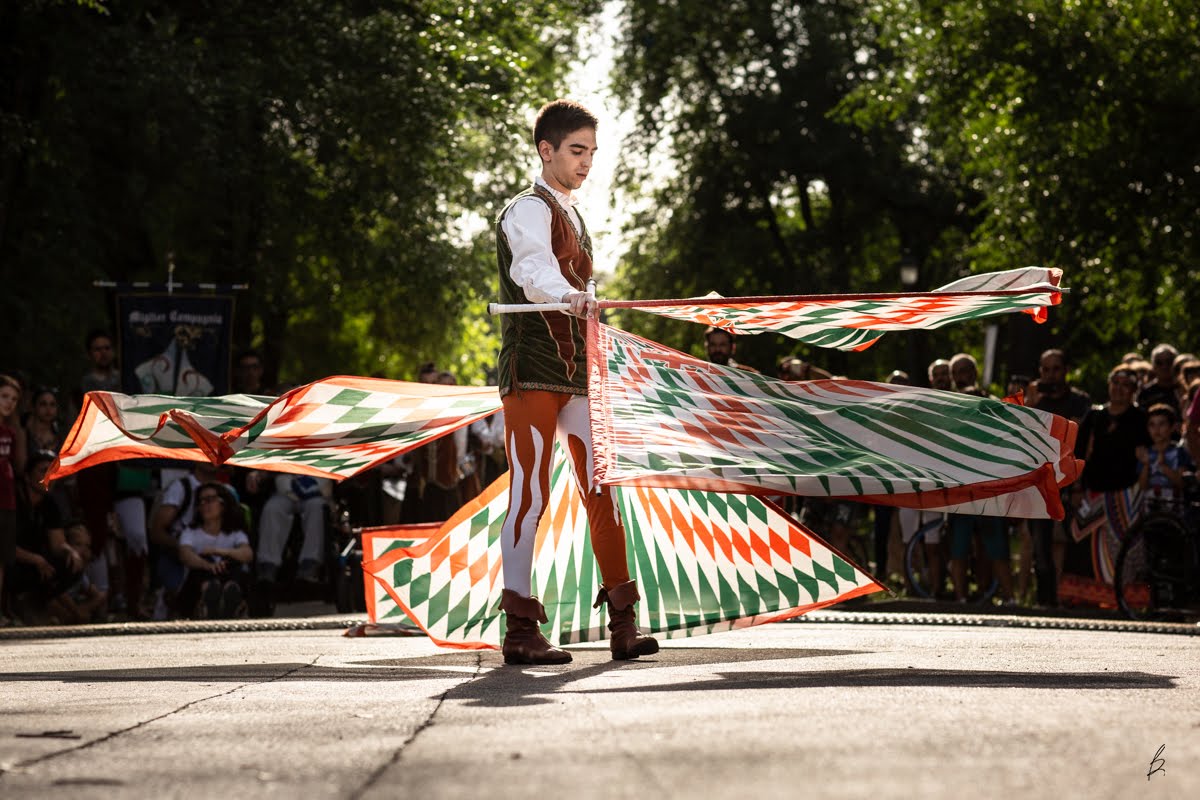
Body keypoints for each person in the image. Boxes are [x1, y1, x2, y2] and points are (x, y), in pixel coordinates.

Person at [494, 99, 657, 664]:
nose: (587, 162)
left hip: (576, 375)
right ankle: (518, 630)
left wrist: (579, 301)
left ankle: (623, 623)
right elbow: (533, 270)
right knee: (529, 493)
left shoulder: (574, 213)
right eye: (576, 150)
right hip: (532, 369)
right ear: (547, 150)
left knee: (602, 490)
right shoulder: (527, 209)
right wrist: (567, 294)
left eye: (591, 152)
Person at [1028, 348, 1091, 606]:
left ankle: (1071, 597)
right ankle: (1044, 601)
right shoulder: (1036, 401)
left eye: (1055, 369)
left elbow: (1078, 440)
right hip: (1039, 481)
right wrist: (1030, 402)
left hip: (1071, 482)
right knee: (1040, 545)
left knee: (1070, 541)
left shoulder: (1080, 401)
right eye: (1045, 370)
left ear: (1066, 370)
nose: (1050, 375)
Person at [176, 483, 253, 618]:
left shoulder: (235, 533)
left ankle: (231, 596)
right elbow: (185, 554)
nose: (204, 505)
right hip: (195, 590)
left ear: (223, 504)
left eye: (210, 500)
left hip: (228, 576)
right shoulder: (191, 532)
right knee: (204, 564)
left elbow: (247, 554)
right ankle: (207, 598)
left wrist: (220, 552)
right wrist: (209, 566)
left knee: (232, 564)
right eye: (201, 501)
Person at [0, 375, 22, 625]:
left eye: (14, 399)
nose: (9, 403)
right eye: (4, 396)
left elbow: (19, 465)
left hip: (7, 501)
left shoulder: (10, 433)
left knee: (2, 560)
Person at [1136, 404, 1194, 495]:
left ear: (1172, 427)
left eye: (1162, 424)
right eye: (1152, 425)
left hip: (1175, 505)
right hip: (1151, 505)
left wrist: (1163, 466)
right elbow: (1143, 487)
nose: (1156, 429)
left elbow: (1182, 484)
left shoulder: (1179, 451)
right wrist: (1146, 465)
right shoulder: (1145, 453)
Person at [1137, 343, 1180, 414]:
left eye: (1169, 362)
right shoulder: (1145, 393)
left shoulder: (1184, 390)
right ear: (1153, 366)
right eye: (1159, 362)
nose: (1164, 366)